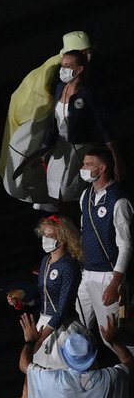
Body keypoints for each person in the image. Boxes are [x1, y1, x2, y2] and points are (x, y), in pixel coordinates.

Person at [0, 216, 83, 398]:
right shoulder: (46, 261)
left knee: (59, 388)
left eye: (49, 235)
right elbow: (42, 298)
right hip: (42, 324)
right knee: (29, 384)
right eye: (44, 235)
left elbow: (62, 309)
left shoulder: (69, 267)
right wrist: (22, 300)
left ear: (61, 237)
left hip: (61, 332)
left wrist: (41, 337)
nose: (45, 240)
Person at [2, 30, 91, 208]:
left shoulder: (58, 62)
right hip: (35, 114)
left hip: (31, 113)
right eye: (86, 52)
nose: (89, 56)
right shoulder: (60, 69)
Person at [37, 50, 121, 208]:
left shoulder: (88, 94)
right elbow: (54, 123)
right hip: (60, 147)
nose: (63, 70)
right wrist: (45, 148)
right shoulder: (60, 88)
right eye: (62, 66)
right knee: (51, 189)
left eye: (68, 66)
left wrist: (115, 159)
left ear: (80, 69)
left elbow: (104, 127)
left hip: (80, 148)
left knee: (69, 189)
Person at [77, 145, 130, 349]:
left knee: (110, 337)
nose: (83, 167)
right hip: (87, 273)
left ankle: (127, 366)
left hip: (107, 275)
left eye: (89, 164)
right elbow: (84, 232)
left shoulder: (119, 201)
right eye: (84, 163)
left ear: (102, 169)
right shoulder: (85, 196)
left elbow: (125, 246)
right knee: (78, 328)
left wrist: (115, 283)